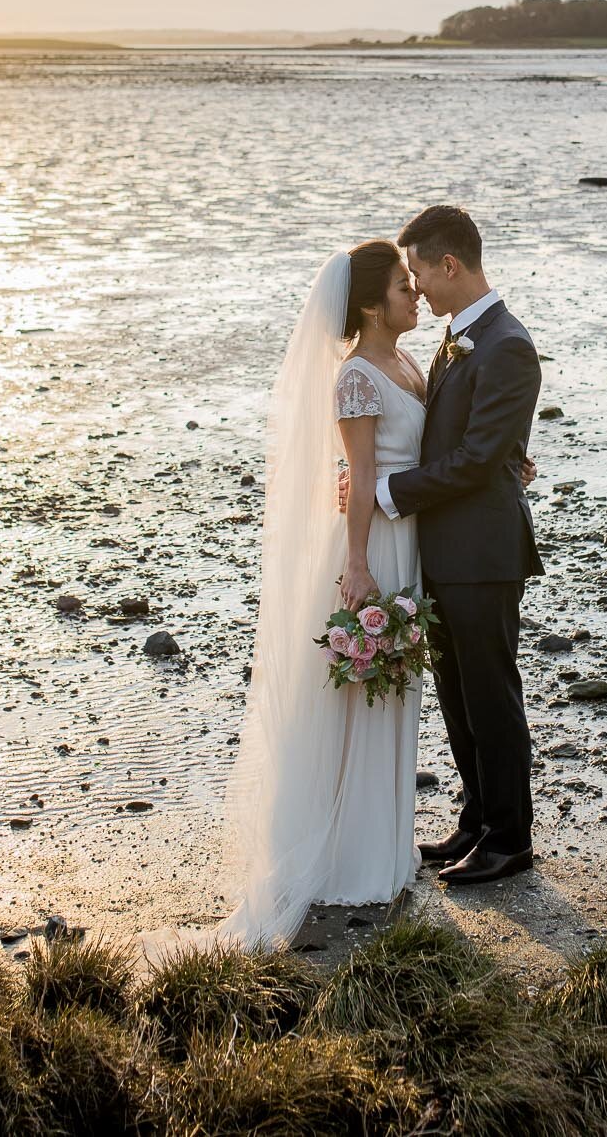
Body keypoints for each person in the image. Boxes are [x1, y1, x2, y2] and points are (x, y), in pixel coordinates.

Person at [216, 240, 429, 945]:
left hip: (409, 537)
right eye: (403, 284)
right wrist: (359, 563)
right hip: (376, 543)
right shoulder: (358, 377)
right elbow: (361, 473)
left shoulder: (407, 363)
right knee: (366, 694)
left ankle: (389, 846)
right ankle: (351, 861)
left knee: (396, 691)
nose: (415, 292)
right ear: (370, 302)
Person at [367, 204, 545, 887]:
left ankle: (510, 837)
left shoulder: (506, 343)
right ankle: (476, 818)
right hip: (447, 549)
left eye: (419, 272)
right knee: (457, 694)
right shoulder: (457, 337)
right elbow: (481, 440)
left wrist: (389, 491)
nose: (416, 288)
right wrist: (512, 457)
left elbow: (473, 460)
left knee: (492, 697)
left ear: (450, 264)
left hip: (484, 553)